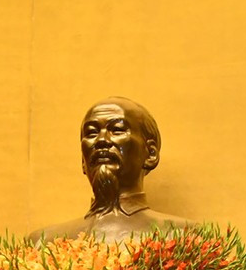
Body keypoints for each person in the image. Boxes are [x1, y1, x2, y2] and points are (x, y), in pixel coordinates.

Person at [31, 97, 191, 242]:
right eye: (91, 133)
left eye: (117, 130)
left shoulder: (186, 237)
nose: (101, 140)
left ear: (150, 154)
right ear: (83, 160)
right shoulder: (43, 243)